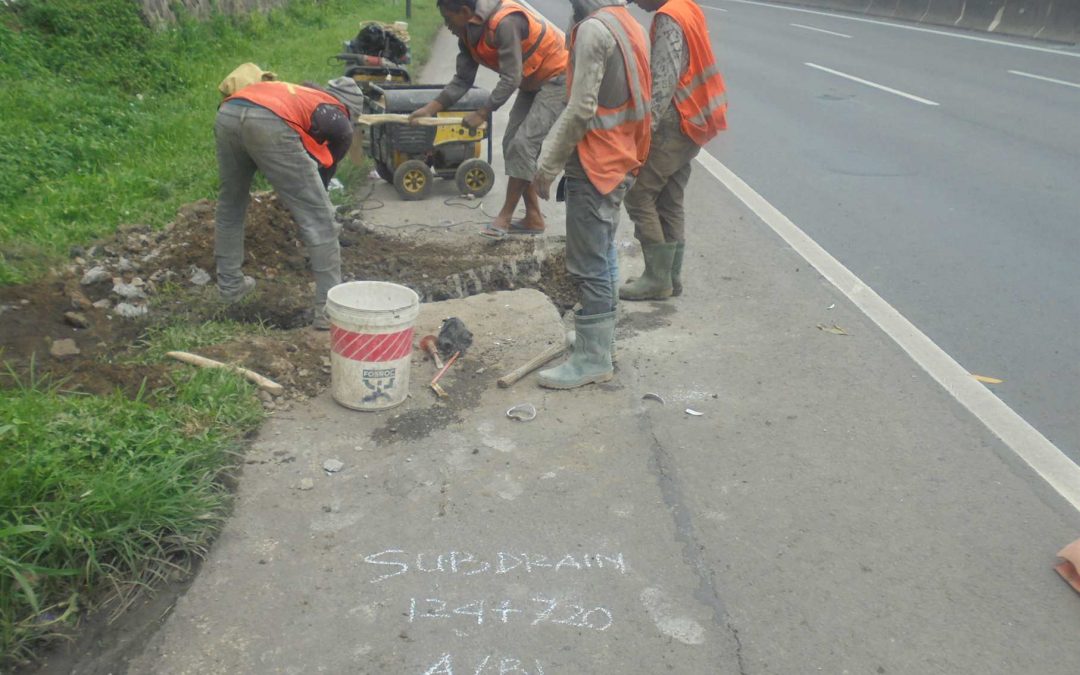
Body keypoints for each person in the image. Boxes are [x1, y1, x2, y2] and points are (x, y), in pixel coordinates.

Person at [532, 0, 651, 389]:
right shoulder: (625, 23)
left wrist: (547, 165)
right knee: (603, 254)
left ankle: (593, 358)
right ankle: (600, 341)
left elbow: (581, 108)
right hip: (622, 156)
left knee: (589, 263)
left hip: (596, 162)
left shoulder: (593, 31)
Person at [213, 77, 364, 329]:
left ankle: (230, 287)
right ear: (350, 110)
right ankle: (328, 312)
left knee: (231, 205)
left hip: (229, 112)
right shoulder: (337, 114)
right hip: (269, 121)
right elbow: (329, 164)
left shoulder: (303, 93)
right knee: (321, 221)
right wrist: (317, 199)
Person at [410, 0, 568, 238]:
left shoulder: (505, 23)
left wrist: (482, 112)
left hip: (558, 75)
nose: (447, 25)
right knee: (511, 145)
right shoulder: (467, 33)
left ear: (464, 12)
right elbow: (462, 79)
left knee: (523, 144)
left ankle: (504, 216)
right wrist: (430, 109)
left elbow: (510, 79)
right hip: (531, 79)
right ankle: (534, 218)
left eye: (447, 18)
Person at [618, 0, 727, 301]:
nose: (635, 3)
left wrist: (642, 131)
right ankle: (671, 276)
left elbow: (664, 81)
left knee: (639, 194)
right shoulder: (686, 6)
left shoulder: (669, 18)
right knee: (669, 197)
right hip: (696, 119)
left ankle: (657, 278)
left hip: (676, 119)